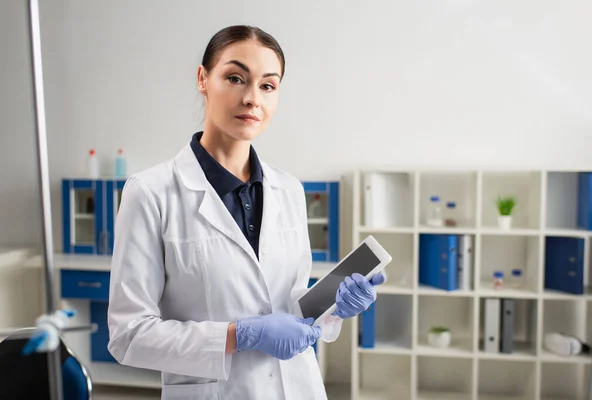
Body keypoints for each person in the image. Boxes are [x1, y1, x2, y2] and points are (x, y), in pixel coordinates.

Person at [106, 25, 385, 400]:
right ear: (203, 79)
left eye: (268, 86)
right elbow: (129, 336)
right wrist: (241, 335)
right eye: (236, 78)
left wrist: (334, 305)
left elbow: (287, 306)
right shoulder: (151, 193)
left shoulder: (289, 190)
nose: (253, 98)